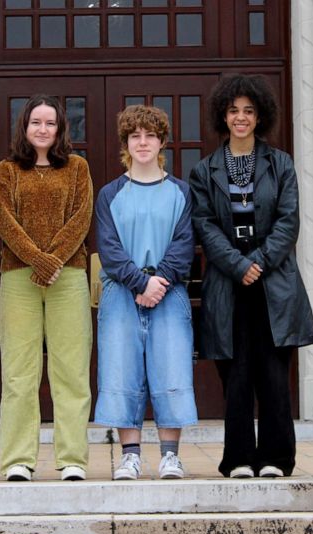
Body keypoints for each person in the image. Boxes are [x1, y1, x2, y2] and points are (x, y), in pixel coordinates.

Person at [189, 74, 313, 479]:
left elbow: (288, 221)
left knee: (274, 377)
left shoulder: (280, 164)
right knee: (237, 377)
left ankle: (277, 459)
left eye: (248, 111)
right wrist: (238, 265)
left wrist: (258, 261)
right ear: (222, 117)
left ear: (259, 116)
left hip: (274, 284)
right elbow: (204, 225)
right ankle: (239, 458)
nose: (240, 118)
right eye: (233, 111)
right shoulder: (205, 170)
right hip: (229, 286)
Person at [0, 95, 94, 482]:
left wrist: (52, 261)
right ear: (25, 126)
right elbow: (4, 220)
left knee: (71, 370)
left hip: (68, 277)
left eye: (50, 123)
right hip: (19, 277)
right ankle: (18, 459)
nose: (43, 129)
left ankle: (72, 459)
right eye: (36, 122)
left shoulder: (77, 168)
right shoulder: (7, 170)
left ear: (60, 129)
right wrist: (39, 260)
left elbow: (81, 218)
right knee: (19, 372)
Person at [94, 104, 197, 481]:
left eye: (150, 135)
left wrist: (158, 282)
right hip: (123, 292)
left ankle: (170, 456)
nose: (142, 142)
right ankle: (130, 456)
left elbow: (184, 244)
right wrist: (140, 283)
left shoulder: (180, 192)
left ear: (162, 141)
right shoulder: (110, 194)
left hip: (169, 292)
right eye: (134, 135)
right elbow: (109, 247)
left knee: (171, 368)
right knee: (121, 371)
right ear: (125, 142)